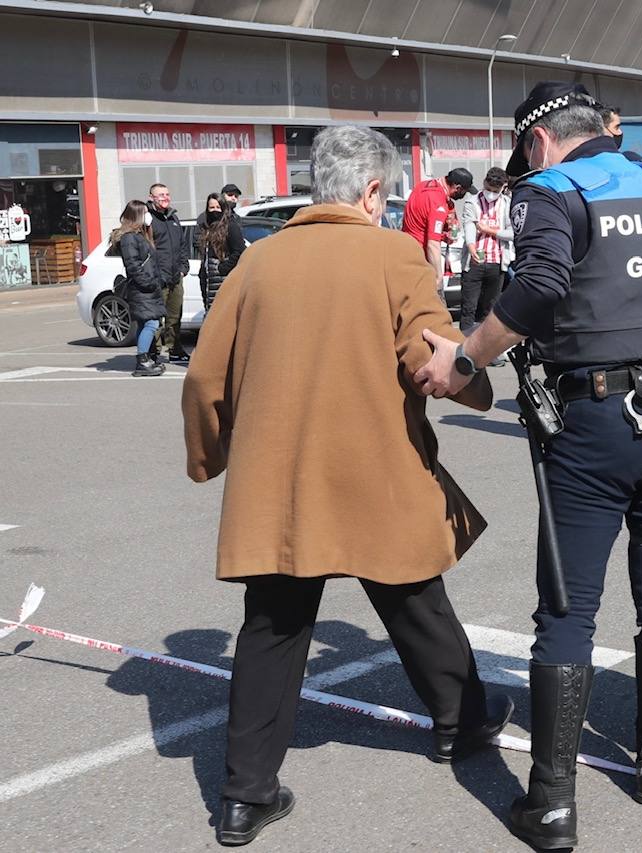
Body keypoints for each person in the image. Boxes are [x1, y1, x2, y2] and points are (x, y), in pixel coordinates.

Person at [411, 81, 642, 850]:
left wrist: (464, 358)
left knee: (568, 607)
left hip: (595, 424)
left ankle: (553, 804)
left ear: (537, 142)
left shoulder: (550, 191)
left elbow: (539, 286)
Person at [182, 125, 514, 846]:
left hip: (282, 478)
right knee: (416, 598)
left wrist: (210, 458)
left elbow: (206, 377)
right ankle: (461, 723)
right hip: (375, 465)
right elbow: (431, 352)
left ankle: (245, 794)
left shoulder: (257, 263)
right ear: (370, 192)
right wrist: (478, 385)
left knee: (272, 625)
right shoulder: (394, 253)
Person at [113, 200, 166, 378]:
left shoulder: (140, 235)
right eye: (144, 212)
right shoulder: (129, 238)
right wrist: (148, 283)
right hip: (142, 289)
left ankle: (147, 358)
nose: (148, 215)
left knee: (146, 323)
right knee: (152, 323)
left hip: (148, 287)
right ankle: (143, 361)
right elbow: (133, 265)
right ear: (136, 215)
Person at [459, 167, 513, 337]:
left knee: (490, 310)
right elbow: (469, 224)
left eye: (495, 191)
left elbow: (512, 233)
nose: (491, 193)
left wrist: (489, 230)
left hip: (497, 262)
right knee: (469, 308)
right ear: (484, 183)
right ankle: (464, 349)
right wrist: (471, 246)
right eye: (488, 189)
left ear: (503, 187)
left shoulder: (508, 204)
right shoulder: (472, 202)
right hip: (474, 262)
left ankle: (484, 350)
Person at [403, 167, 473, 287]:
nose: (464, 195)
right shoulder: (438, 203)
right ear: (458, 188)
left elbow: (422, 224)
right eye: (464, 192)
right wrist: (438, 276)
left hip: (407, 252)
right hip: (420, 259)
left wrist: (445, 235)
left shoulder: (424, 186)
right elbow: (432, 244)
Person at [146, 182, 190, 364]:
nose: (165, 198)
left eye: (167, 194)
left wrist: (183, 268)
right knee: (155, 319)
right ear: (151, 198)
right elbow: (146, 249)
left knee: (174, 317)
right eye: (160, 195)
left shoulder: (173, 218)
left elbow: (182, 246)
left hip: (175, 277)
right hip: (158, 279)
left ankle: (175, 349)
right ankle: (153, 352)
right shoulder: (147, 220)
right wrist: (155, 274)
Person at [198, 193, 245, 311]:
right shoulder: (207, 228)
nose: (215, 211)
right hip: (209, 284)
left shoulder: (231, 226)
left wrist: (222, 268)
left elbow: (239, 251)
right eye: (212, 208)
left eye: (218, 207)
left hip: (223, 281)